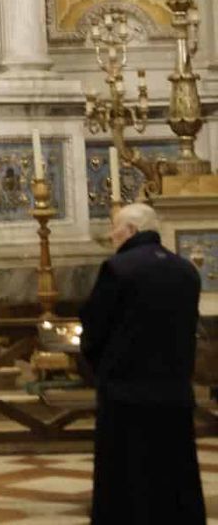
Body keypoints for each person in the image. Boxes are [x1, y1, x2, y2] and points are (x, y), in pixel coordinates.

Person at [80, 201, 205, 525]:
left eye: (115, 230)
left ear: (132, 230)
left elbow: (95, 329)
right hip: (175, 392)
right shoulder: (186, 270)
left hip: (126, 393)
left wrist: (100, 369)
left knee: (127, 480)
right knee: (174, 473)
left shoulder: (118, 269)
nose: (112, 236)